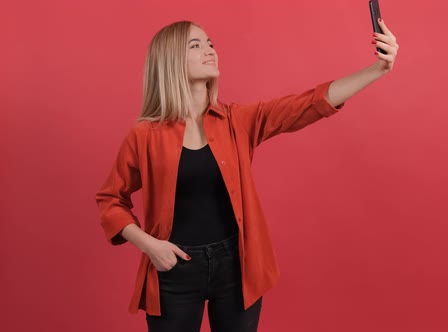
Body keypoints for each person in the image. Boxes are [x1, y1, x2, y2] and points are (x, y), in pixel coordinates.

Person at [96, 19, 398, 332]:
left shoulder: (236, 120)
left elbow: (308, 103)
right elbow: (110, 200)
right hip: (174, 269)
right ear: (170, 59)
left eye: (210, 43)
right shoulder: (144, 135)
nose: (210, 50)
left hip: (237, 266)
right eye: (195, 45)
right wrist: (150, 246)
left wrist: (378, 69)